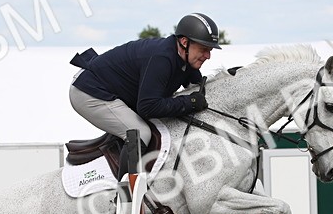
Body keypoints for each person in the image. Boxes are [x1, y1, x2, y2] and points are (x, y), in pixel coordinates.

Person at [69, 12, 221, 165]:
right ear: (184, 42)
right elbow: (147, 107)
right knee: (140, 133)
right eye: (203, 49)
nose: (208, 56)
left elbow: (197, 91)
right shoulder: (162, 59)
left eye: (210, 50)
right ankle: (128, 188)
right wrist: (189, 103)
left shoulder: (185, 58)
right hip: (89, 91)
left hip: (113, 91)